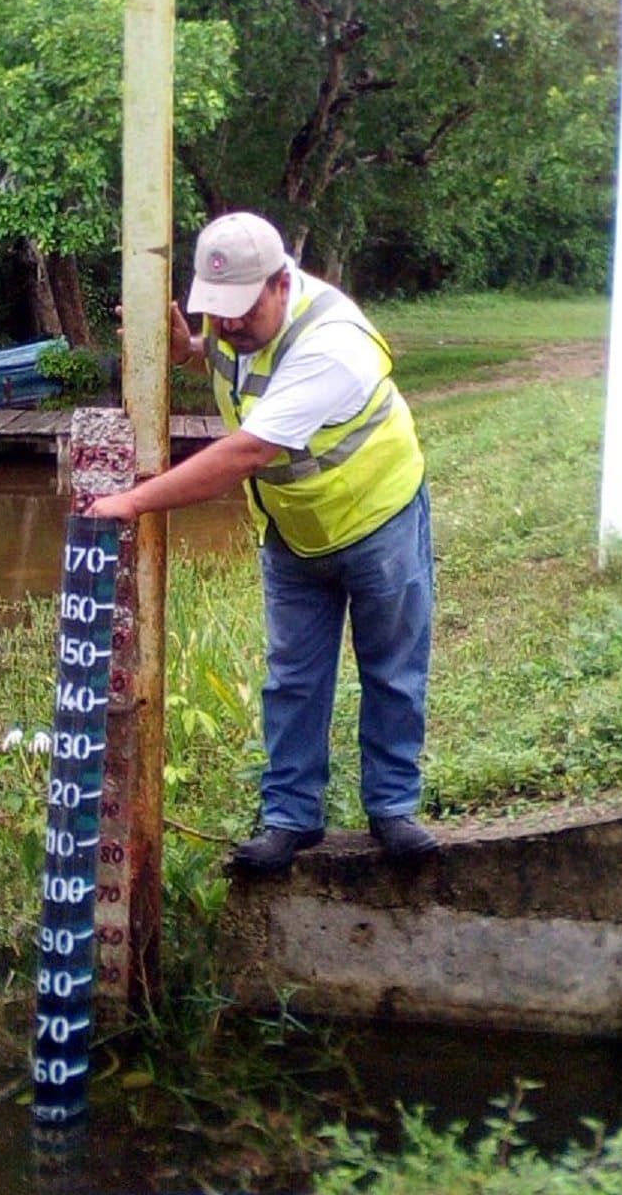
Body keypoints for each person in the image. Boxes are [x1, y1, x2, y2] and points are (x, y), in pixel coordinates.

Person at [87, 212, 437, 871]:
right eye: (213, 313)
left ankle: (393, 808)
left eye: (240, 311)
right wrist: (186, 349)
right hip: (292, 529)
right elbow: (227, 365)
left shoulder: (332, 344)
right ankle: (290, 818)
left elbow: (243, 452)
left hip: (379, 517)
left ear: (283, 282)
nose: (228, 327)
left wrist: (132, 501)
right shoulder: (236, 327)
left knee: (391, 668)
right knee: (293, 679)